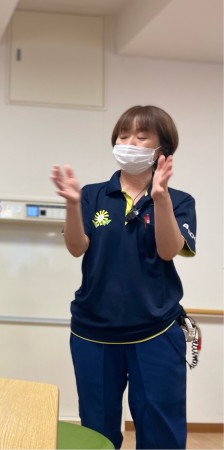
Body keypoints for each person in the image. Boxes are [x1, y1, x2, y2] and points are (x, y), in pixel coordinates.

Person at [50, 105, 196, 449]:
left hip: (156, 330)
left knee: (161, 430)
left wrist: (160, 199)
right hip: (93, 331)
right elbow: (76, 247)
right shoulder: (92, 195)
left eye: (141, 136)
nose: (129, 142)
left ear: (162, 150)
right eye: (123, 135)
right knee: (96, 430)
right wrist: (72, 204)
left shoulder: (179, 201)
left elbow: (168, 250)